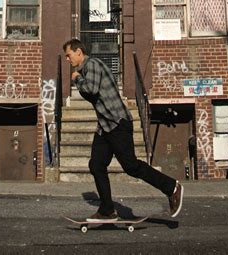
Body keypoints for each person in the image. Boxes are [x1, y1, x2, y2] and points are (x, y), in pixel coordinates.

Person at [63, 38, 183, 222]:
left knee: (131, 166)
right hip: (105, 126)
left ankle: (172, 187)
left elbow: (91, 89)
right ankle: (107, 210)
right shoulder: (88, 68)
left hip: (117, 123)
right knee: (96, 164)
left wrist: (77, 79)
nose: (67, 59)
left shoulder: (91, 65)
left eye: (69, 55)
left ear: (79, 52)